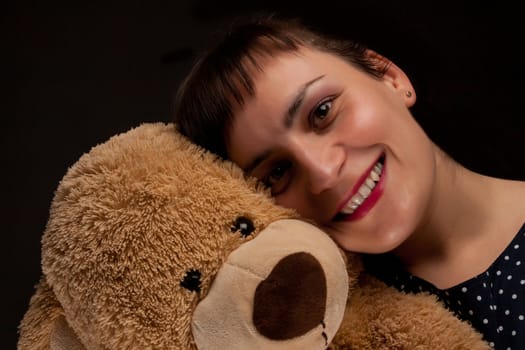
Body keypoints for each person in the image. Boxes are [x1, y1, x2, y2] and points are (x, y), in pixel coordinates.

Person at [172, 15, 525, 349]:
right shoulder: (323, 327)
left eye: (322, 112)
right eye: (277, 173)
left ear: (390, 77)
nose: (323, 174)